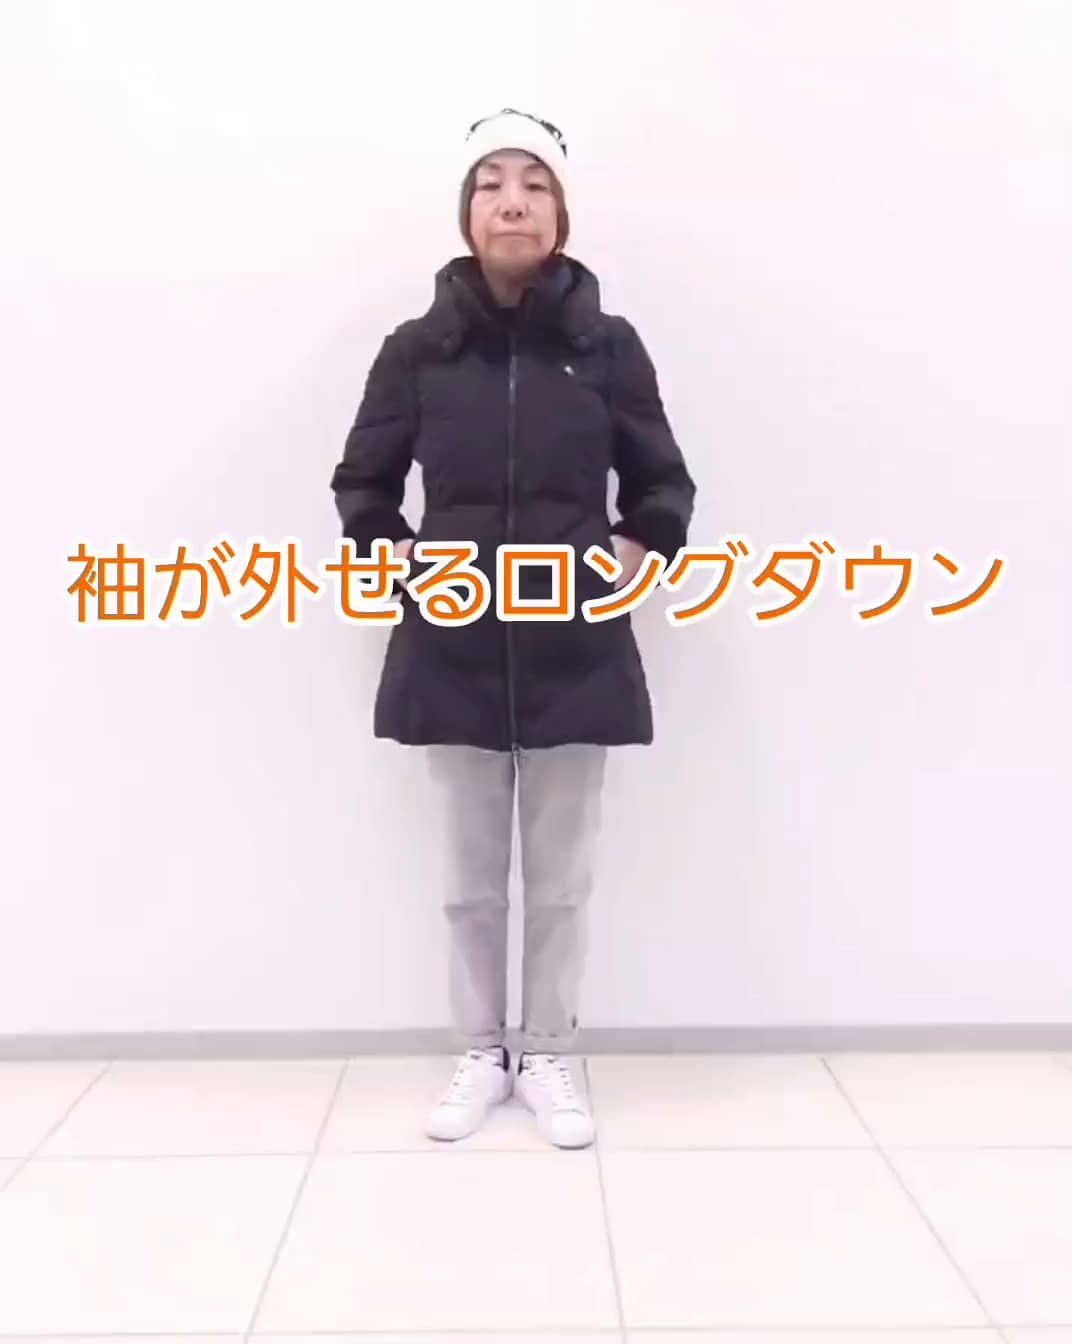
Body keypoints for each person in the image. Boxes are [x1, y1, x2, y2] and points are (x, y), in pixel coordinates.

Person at [330, 108, 695, 1148]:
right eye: (491, 183)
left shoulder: (607, 348)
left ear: (561, 213)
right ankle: (482, 1049)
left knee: (562, 882)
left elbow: (662, 480)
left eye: (534, 184)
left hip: (576, 640)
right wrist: (403, 561)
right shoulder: (417, 351)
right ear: (467, 211)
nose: (513, 202)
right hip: (453, 641)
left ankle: (550, 1053)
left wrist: (636, 548)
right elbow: (362, 485)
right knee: (470, 884)